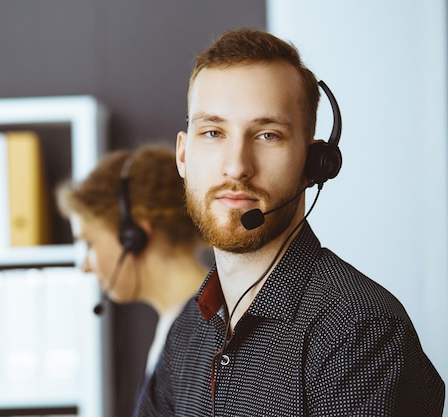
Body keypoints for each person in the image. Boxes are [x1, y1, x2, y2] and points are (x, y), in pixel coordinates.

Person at [135, 28, 445, 416]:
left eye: (267, 135)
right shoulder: (187, 332)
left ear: (314, 164)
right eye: (213, 132)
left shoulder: (359, 332)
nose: (236, 166)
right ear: (183, 155)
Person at [56, 144, 209, 377]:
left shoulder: (198, 337)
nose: (85, 266)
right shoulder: (180, 326)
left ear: (133, 236)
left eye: (89, 243)